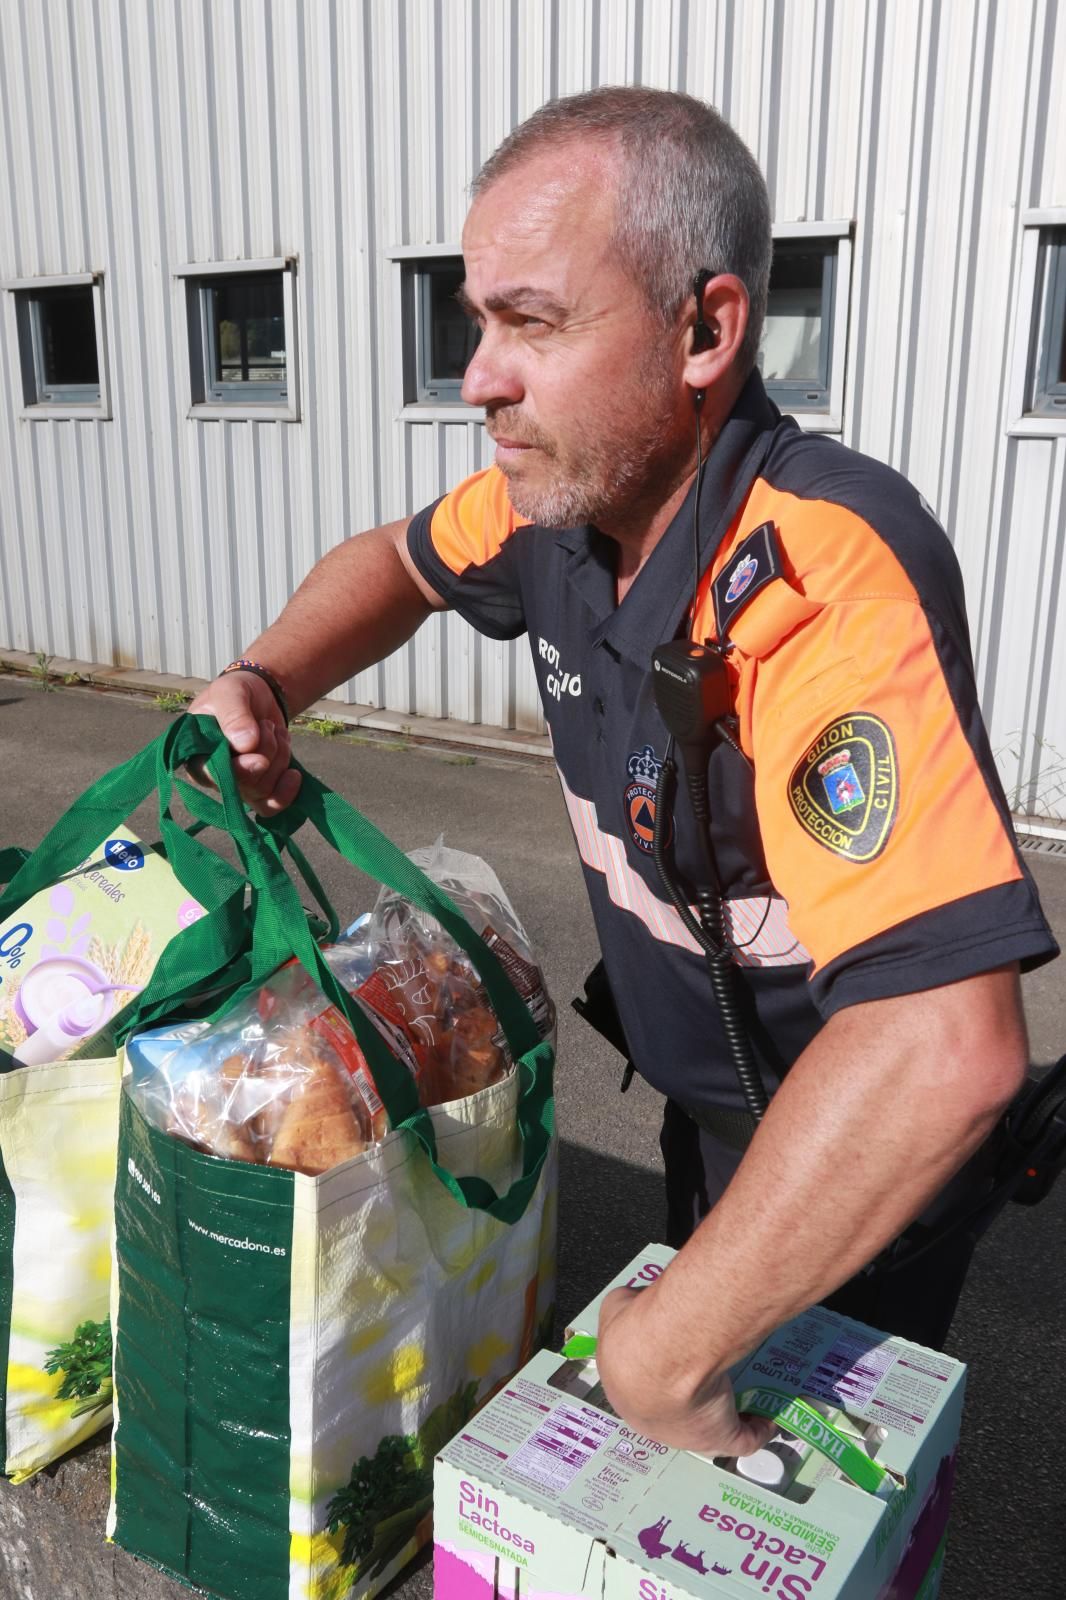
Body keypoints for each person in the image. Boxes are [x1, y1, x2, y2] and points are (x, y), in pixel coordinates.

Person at [189, 87, 1057, 1457]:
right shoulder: (558, 510)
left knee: (795, 1502)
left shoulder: (819, 564)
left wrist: (660, 1355)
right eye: (475, 321)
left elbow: (940, 1045)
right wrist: (268, 678)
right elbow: (392, 566)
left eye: (529, 322)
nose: (478, 376)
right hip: (703, 1111)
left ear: (704, 330)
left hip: (848, 1162)